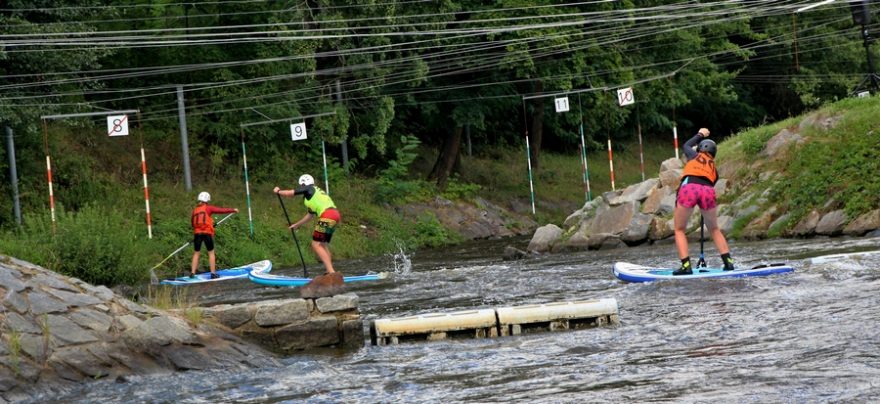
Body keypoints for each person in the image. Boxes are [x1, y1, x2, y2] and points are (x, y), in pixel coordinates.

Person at [672, 127, 735, 275]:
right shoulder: (714, 169)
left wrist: (700, 134)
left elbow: (686, 145)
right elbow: (711, 183)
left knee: (679, 229)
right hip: (707, 191)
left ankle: (686, 266)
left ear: (700, 149)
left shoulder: (694, 155)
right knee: (714, 229)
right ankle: (728, 262)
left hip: (690, 188)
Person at [273, 174, 342, 278]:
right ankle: (330, 271)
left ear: (303, 184)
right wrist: (296, 225)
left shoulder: (309, 188)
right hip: (335, 215)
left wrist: (278, 191)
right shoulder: (313, 194)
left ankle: (331, 272)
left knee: (316, 244)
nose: (301, 187)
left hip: (327, 215)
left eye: (301, 185)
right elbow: (310, 215)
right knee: (322, 245)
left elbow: (290, 193)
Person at [190, 192, 238, 279]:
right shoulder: (208, 208)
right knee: (211, 253)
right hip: (207, 233)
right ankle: (213, 273)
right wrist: (233, 210)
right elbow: (221, 210)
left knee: (196, 253)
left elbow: (193, 224)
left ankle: (192, 273)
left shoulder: (195, 210)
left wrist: (199, 230)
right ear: (207, 200)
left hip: (197, 234)